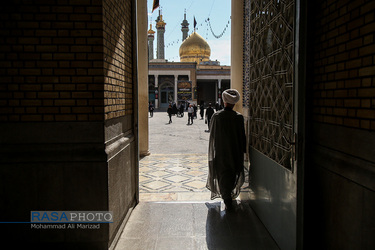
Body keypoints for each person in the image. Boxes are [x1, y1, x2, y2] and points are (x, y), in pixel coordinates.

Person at [206, 89, 246, 211]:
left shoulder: (217, 116)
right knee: (232, 174)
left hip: (221, 152)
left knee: (223, 175)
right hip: (235, 152)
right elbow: (242, 138)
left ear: (224, 101)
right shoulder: (238, 117)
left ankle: (226, 198)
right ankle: (228, 197)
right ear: (234, 103)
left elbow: (212, 136)